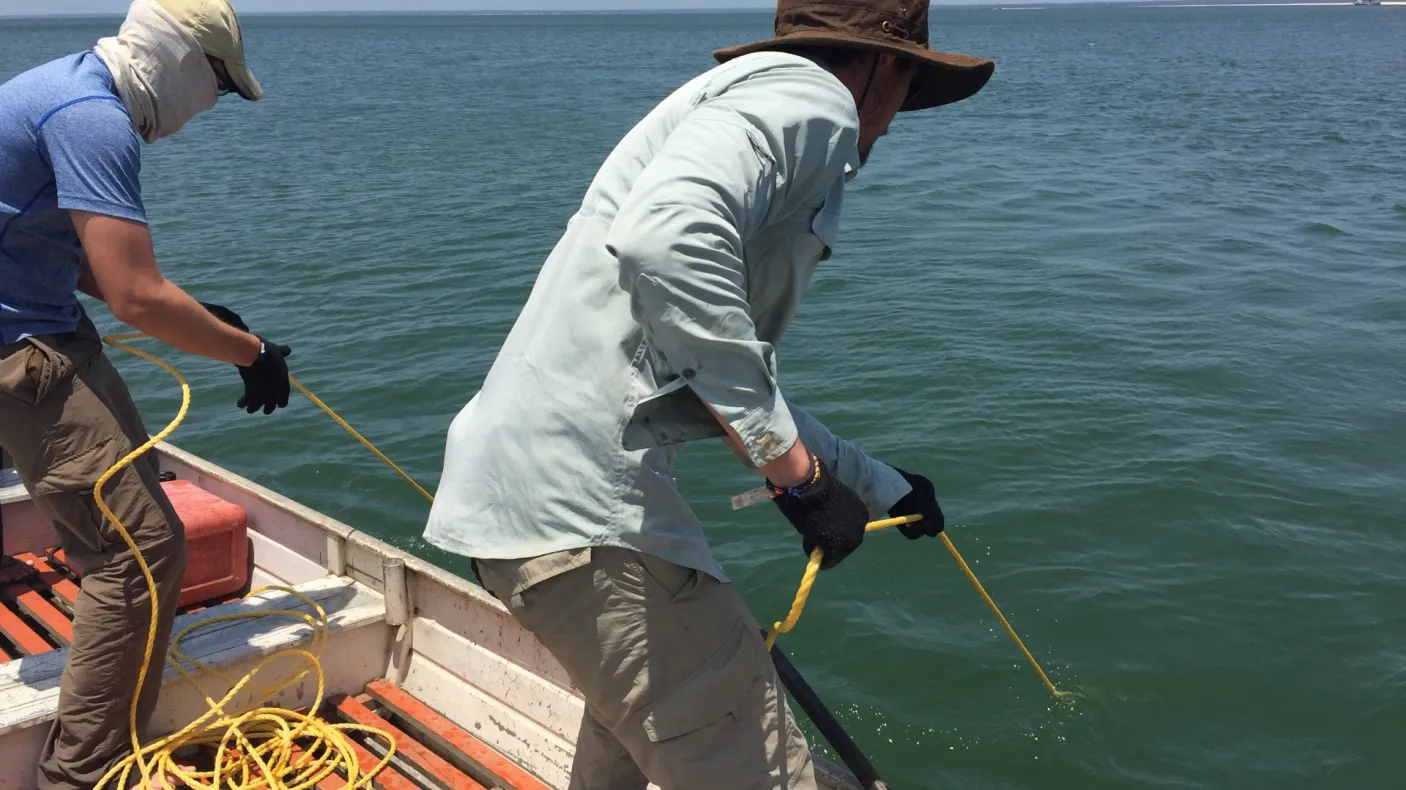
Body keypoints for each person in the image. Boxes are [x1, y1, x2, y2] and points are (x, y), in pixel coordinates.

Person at [424, 1, 993, 787]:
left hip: (518, 504)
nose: (896, 124)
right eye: (910, 89)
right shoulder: (814, 97)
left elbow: (713, 384)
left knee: (621, 753)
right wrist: (799, 479)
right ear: (884, 65)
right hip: (586, 519)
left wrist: (876, 486)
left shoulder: (730, 102)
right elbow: (669, 238)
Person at [0, 0, 290, 786]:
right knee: (137, 555)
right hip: (25, 355)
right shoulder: (95, 119)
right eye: (221, 90)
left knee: (127, 528)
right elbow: (135, 296)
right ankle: (84, 775)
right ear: (185, 62)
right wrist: (252, 352)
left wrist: (206, 318)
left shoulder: (55, 86)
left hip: (33, 328)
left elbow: (68, 249)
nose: (208, 111)